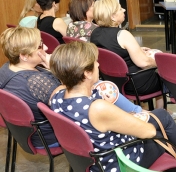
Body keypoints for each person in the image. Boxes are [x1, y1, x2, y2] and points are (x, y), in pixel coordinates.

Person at [49, 42, 176, 172]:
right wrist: (135, 116)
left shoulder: (56, 96)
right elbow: (147, 132)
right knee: (162, 121)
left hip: (88, 159)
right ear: (86, 73)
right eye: (95, 63)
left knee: (160, 117)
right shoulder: (98, 108)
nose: (98, 65)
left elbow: (69, 88)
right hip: (118, 162)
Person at [0, 27, 143, 149]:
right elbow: (71, 103)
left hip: (28, 133)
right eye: (39, 46)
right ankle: (138, 115)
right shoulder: (36, 82)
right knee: (102, 87)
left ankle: (137, 114)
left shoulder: (6, 68)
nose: (45, 48)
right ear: (24, 56)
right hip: (55, 135)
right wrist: (57, 70)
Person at [90, 0, 176, 118]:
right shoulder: (122, 34)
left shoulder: (95, 34)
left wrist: (136, 49)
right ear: (113, 16)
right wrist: (160, 63)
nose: (124, 9)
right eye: (120, 8)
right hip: (136, 84)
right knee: (166, 70)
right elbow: (144, 63)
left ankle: (151, 110)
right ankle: (162, 112)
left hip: (115, 82)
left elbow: (114, 53)